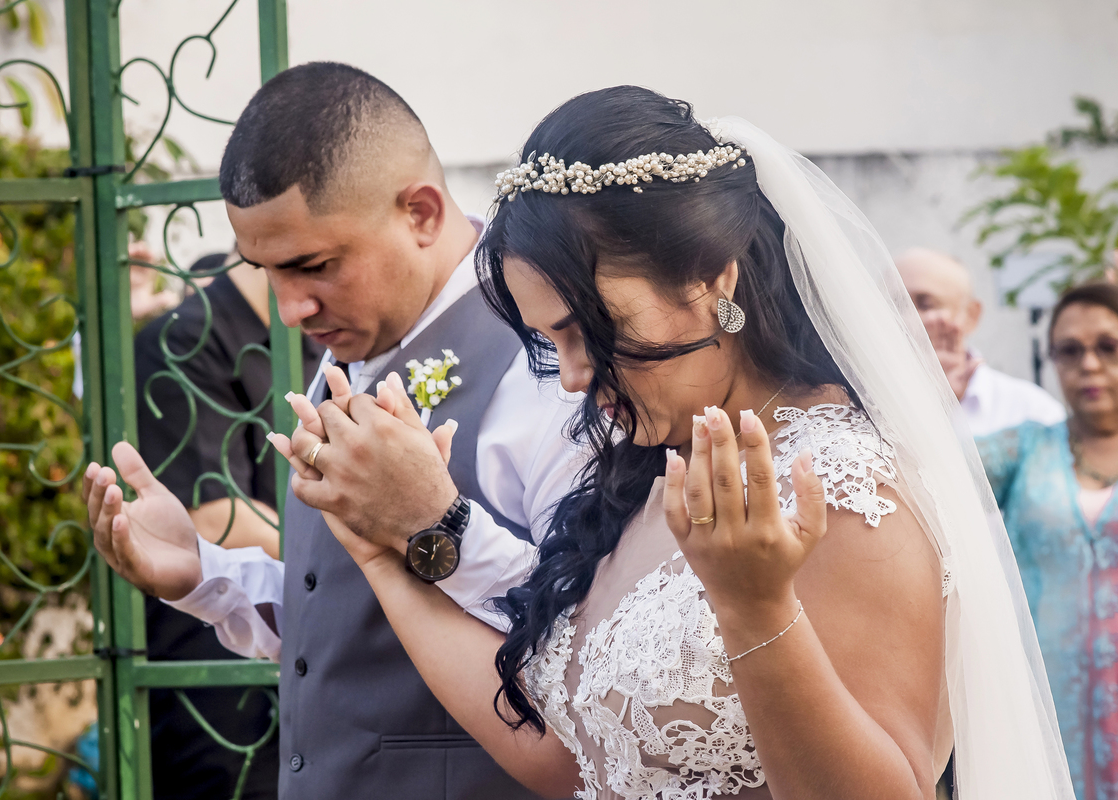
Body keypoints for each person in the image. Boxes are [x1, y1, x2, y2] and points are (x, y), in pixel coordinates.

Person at [271, 87, 1074, 799]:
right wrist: (382, 552)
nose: (576, 378)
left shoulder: (845, 484)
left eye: (595, 330)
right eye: (554, 341)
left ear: (712, 279)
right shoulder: (648, 473)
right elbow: (568, 761)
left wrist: (755, 609)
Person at [81, 62, 580, 800]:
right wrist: (205, 574)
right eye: (267, 271)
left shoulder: (544, 363)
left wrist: (432, 526)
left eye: (314, 266)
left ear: (421, 213)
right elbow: (346, 622)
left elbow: (586, 648)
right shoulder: (359, 339)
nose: (290, 310)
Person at [134, 251, 321, 798]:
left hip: (307, 654)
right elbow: (215, 515)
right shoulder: (180, 341)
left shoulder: (327, 342)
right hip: (217, 685)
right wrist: (361, 543)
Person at [977, 282, 1118, 799]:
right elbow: (924, 473)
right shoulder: (1025, 449)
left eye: (1108, 346)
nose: (1089, 364)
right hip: (1046, 711)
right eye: (1070, 350)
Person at [895, 247, 1065, 436]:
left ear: (971, 315)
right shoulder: (863, 407)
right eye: (893, 303)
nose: (904, 318)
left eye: (925, 305)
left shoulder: (1030, 410)